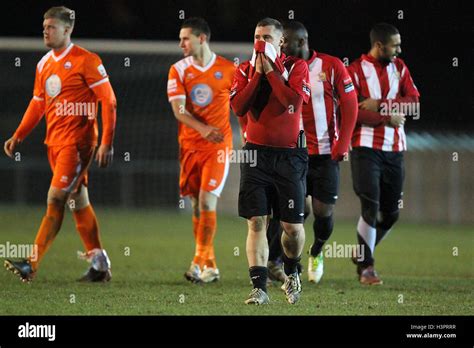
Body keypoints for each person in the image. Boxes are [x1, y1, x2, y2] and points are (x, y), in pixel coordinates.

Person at [3, 6, 117, 282]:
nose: (45, 30)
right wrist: (18, 134)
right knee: (78, 202)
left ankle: (31, 263)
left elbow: (109, 101)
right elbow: (38, 103)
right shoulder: (44, 64)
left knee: (55, 199)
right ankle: (100, 265)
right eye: (44, 26)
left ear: (68, 30)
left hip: (77, 144)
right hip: (54, 142)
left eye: (51, 26)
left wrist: (106, 143)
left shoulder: (86, 61)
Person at [231, 17, 310, 305]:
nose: (260, 42)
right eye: (256, 36)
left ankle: (292, 270)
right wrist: (257, 76)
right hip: (255, 155)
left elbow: (292, 102)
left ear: (280, 42)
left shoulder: (296, 67)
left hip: (290, 156)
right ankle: (259, 287)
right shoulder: (243, 69)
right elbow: (238, 105)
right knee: (256, 223)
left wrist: (272, 73)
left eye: (266, 37)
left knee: (292, 228)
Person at [281, 21, 358, 283]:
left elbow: (350, 105)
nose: (281, 47)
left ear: (301, 42)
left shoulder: (332, 65)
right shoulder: (280, 68)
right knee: (295, 211)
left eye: (284, 41)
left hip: (325, 154)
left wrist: (343, 142)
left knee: (323, 212)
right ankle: (288, 265)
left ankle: (316, 251)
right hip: (293, 153)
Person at [347, 23, 420, 285]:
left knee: (391, 214)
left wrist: (381, 105)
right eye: (395, 45)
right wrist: (386, 118)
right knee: (371, 205)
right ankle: (367, 267)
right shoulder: (354, 70)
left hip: (395, 151)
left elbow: (413, 102)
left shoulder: (399, 68)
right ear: (380, 46)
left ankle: (362, 251)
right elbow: (352, 111)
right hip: (365, 149)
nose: (399, 50)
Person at [167, 17, 235, 283]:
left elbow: (242, 104)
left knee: (207, 201)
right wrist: (202, 128)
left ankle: (197, 262)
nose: (181, 43)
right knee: (196, 206)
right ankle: (211, 266)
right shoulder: (179, 70)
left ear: (202, 38)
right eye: (181, 39)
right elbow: (179, 110)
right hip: (190, 147)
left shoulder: (229, 70)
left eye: (186, 38)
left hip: (218, 147)